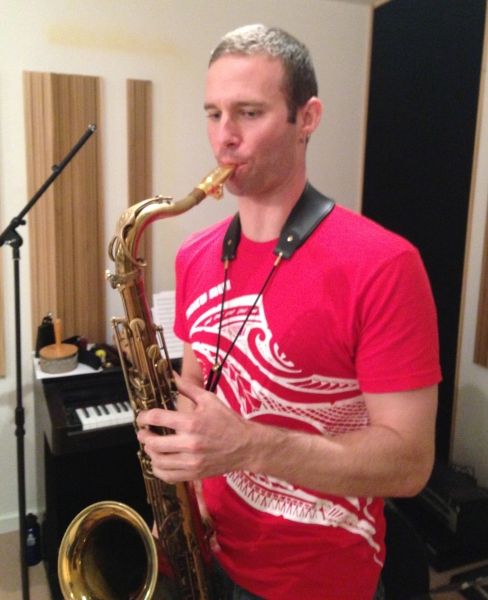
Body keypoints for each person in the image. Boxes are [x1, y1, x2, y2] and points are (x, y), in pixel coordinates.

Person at [136, 24, 441, 600]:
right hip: (211, 555)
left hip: (320, 581)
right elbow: (195, 392)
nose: (224, 138)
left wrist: (250, 445)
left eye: (248, 113)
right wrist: (186, 498)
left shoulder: (385, 264)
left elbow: (409, 464)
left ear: (308, 118)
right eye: (213, 114)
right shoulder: (195, 255)